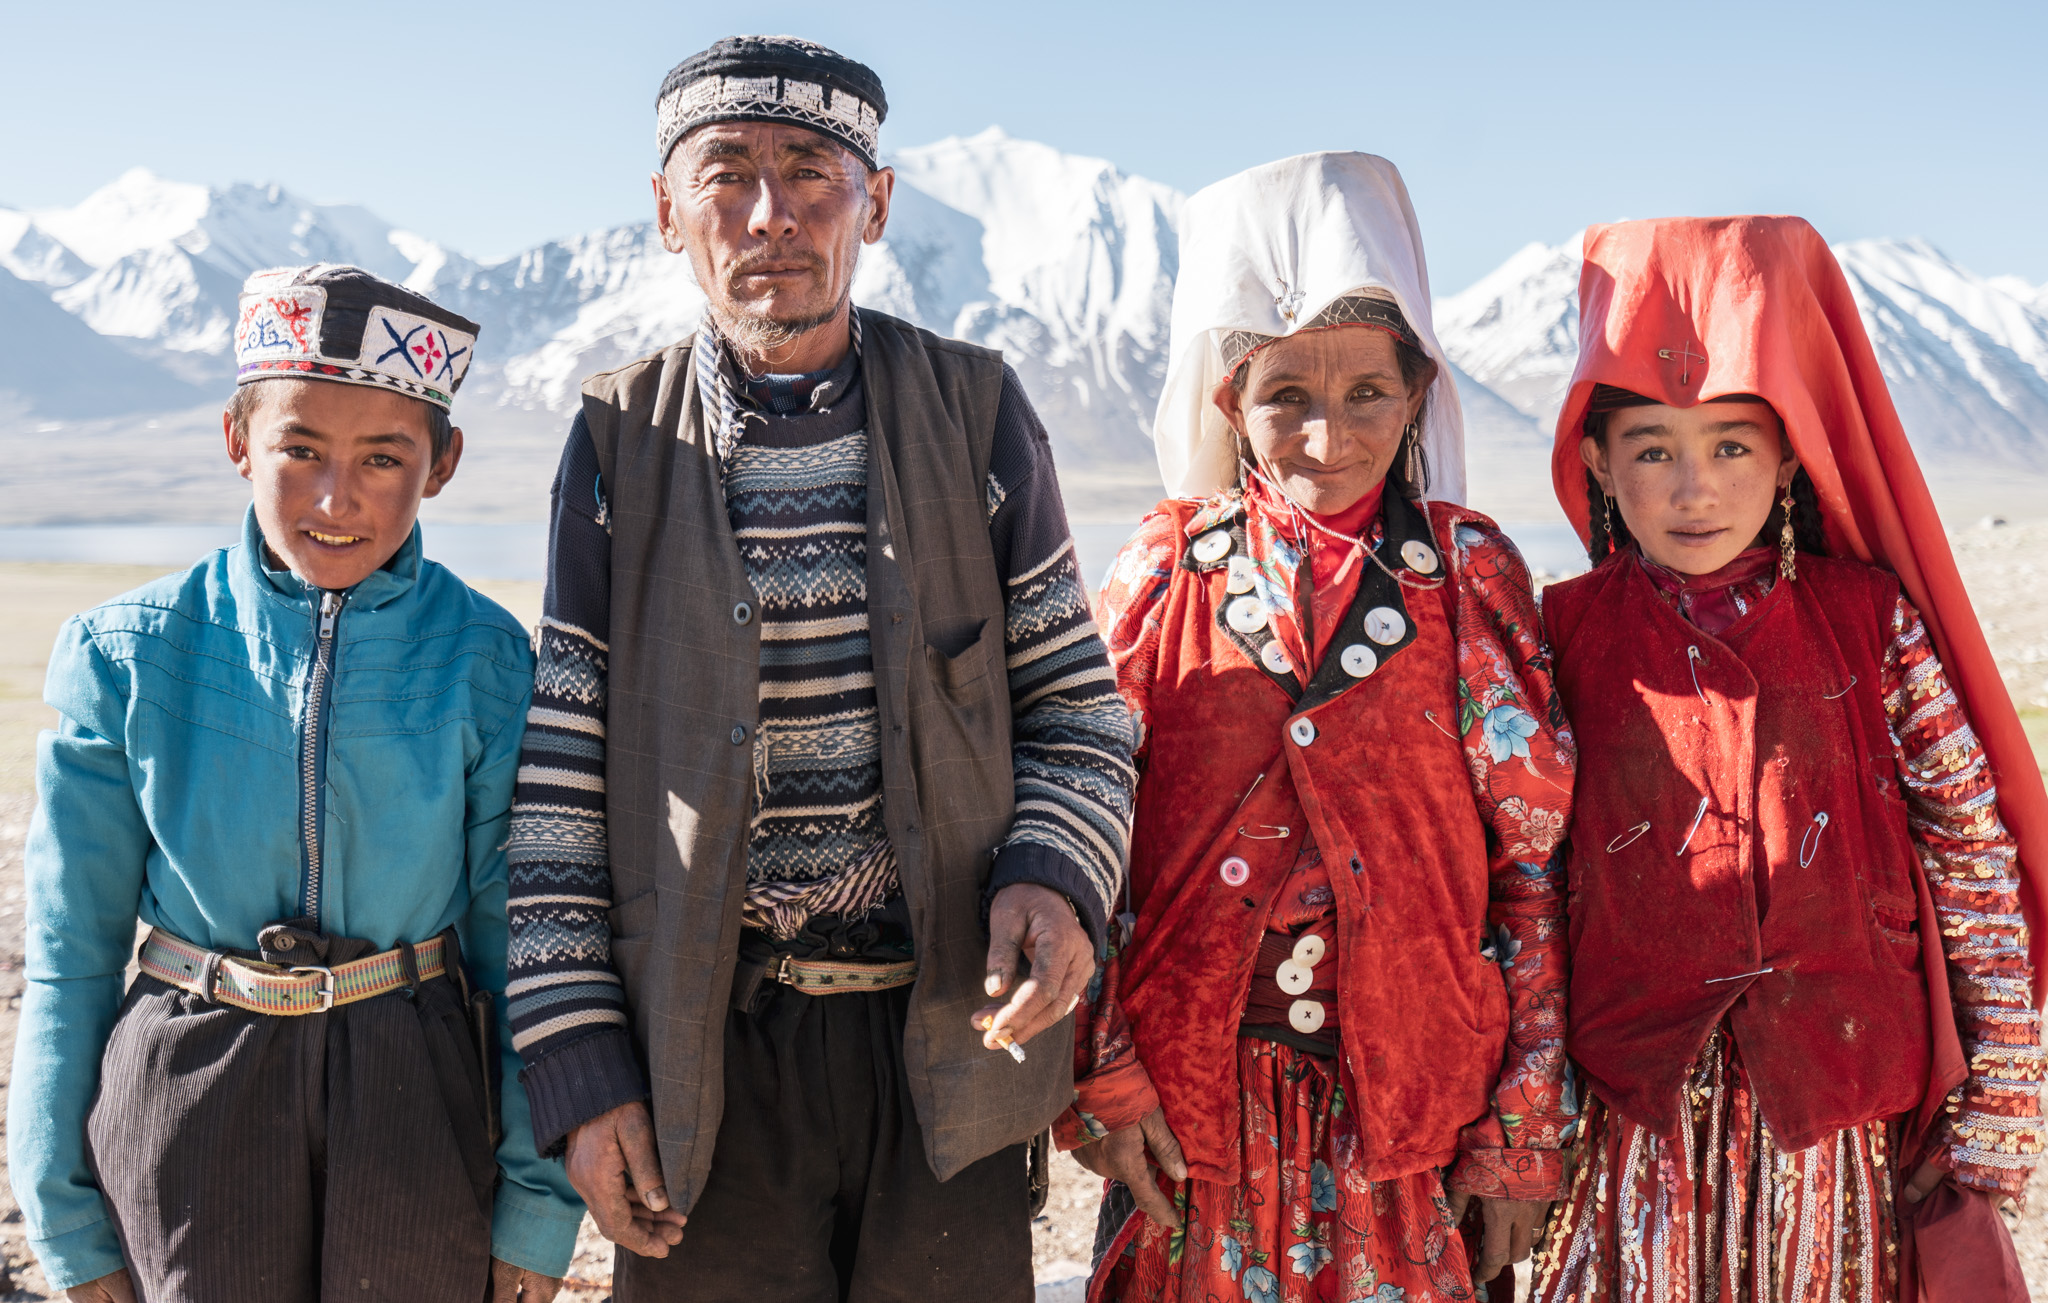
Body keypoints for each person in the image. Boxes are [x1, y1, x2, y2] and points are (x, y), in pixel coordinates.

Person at [500, 35, 1136, 1303]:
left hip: (945, 1036)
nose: (769, 215)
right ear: (666, 209)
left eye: (811, 174)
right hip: (706, 1054)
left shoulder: (976, 412)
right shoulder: (616, 440)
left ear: (877, 202)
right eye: (725, 172)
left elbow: (1075, 706)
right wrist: (581, 1072)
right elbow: (565, 771)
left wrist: (1053, 878)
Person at [9, 264, 583, 1303]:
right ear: (237, 441)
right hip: (186, 1096)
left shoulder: (488, 664)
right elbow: (69, 957)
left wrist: (536, 1210)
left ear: (442, 463)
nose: (336, 496)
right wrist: (62, 1216)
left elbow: (522, 950)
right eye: (300, 449)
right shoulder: (127, 656)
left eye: (382, 458)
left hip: (417, 1100)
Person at [1067, 152, 1577, 1303]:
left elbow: (1531, 877)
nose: (1323, 433)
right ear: (1230, 409)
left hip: (1412, 1129)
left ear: (1413, 400)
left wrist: (1521, 1128)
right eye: (1282, 394)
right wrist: (1100, 1075)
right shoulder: (1163, 572)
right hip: (1191, 1119)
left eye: (1365, 394)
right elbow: (1080, 832)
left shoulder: (1466, 575)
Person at [1530, 215, 2045, 1303]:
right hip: (1632, 1131)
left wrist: (1997, 1105)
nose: (1692, 490)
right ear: (1595, 463)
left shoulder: (1870, 622)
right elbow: (1523, 884)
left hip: (1836, 1134)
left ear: (1786, 457)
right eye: (1651, 451)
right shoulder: (1557, 636)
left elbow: (1969, 855)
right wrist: (1527, 1114)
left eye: (1728, 446)